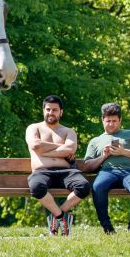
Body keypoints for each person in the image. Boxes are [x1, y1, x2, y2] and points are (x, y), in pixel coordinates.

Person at [25, 95, 91, 236]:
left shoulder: (68, 131)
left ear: (61, 112)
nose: (51, 113)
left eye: (55, 110)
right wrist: (61, 147)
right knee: (36, 187)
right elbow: (35, 145)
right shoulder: (33, 128)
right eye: (48, 109)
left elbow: (70, 150)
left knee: (84, 186)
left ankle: (56, 215)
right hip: (41, 172)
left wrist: (45, 152)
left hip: (67, 171)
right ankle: (61, 217)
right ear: (43, 110)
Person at [83, 102, 130, 233]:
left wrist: (123, 152)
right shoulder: (95, 141)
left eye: (114, 121)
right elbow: (87, 166)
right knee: (98, 186)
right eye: (108, 121)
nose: (111, 124)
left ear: (120, 120)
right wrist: (103, 156)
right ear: (102, 120)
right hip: (108, 171)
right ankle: (107, 227)